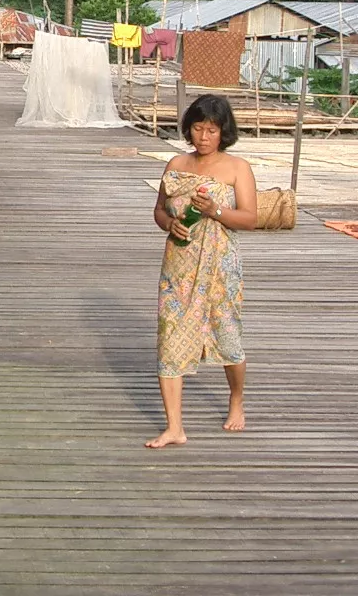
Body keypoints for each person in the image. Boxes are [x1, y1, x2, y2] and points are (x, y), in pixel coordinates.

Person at [147, 94, 257, 449]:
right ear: (188, 129)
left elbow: (251, 219)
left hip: (220, 266)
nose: (204, 137)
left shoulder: (238, 168)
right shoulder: (176, 163)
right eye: (197, 128)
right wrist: (170, 224)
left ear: (223, 131)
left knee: (227, 336)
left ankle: (236, 398)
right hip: (178, 264)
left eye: (211, 130)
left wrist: (215, 211)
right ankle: (174, 427)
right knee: (169, 339)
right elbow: (159, 211)